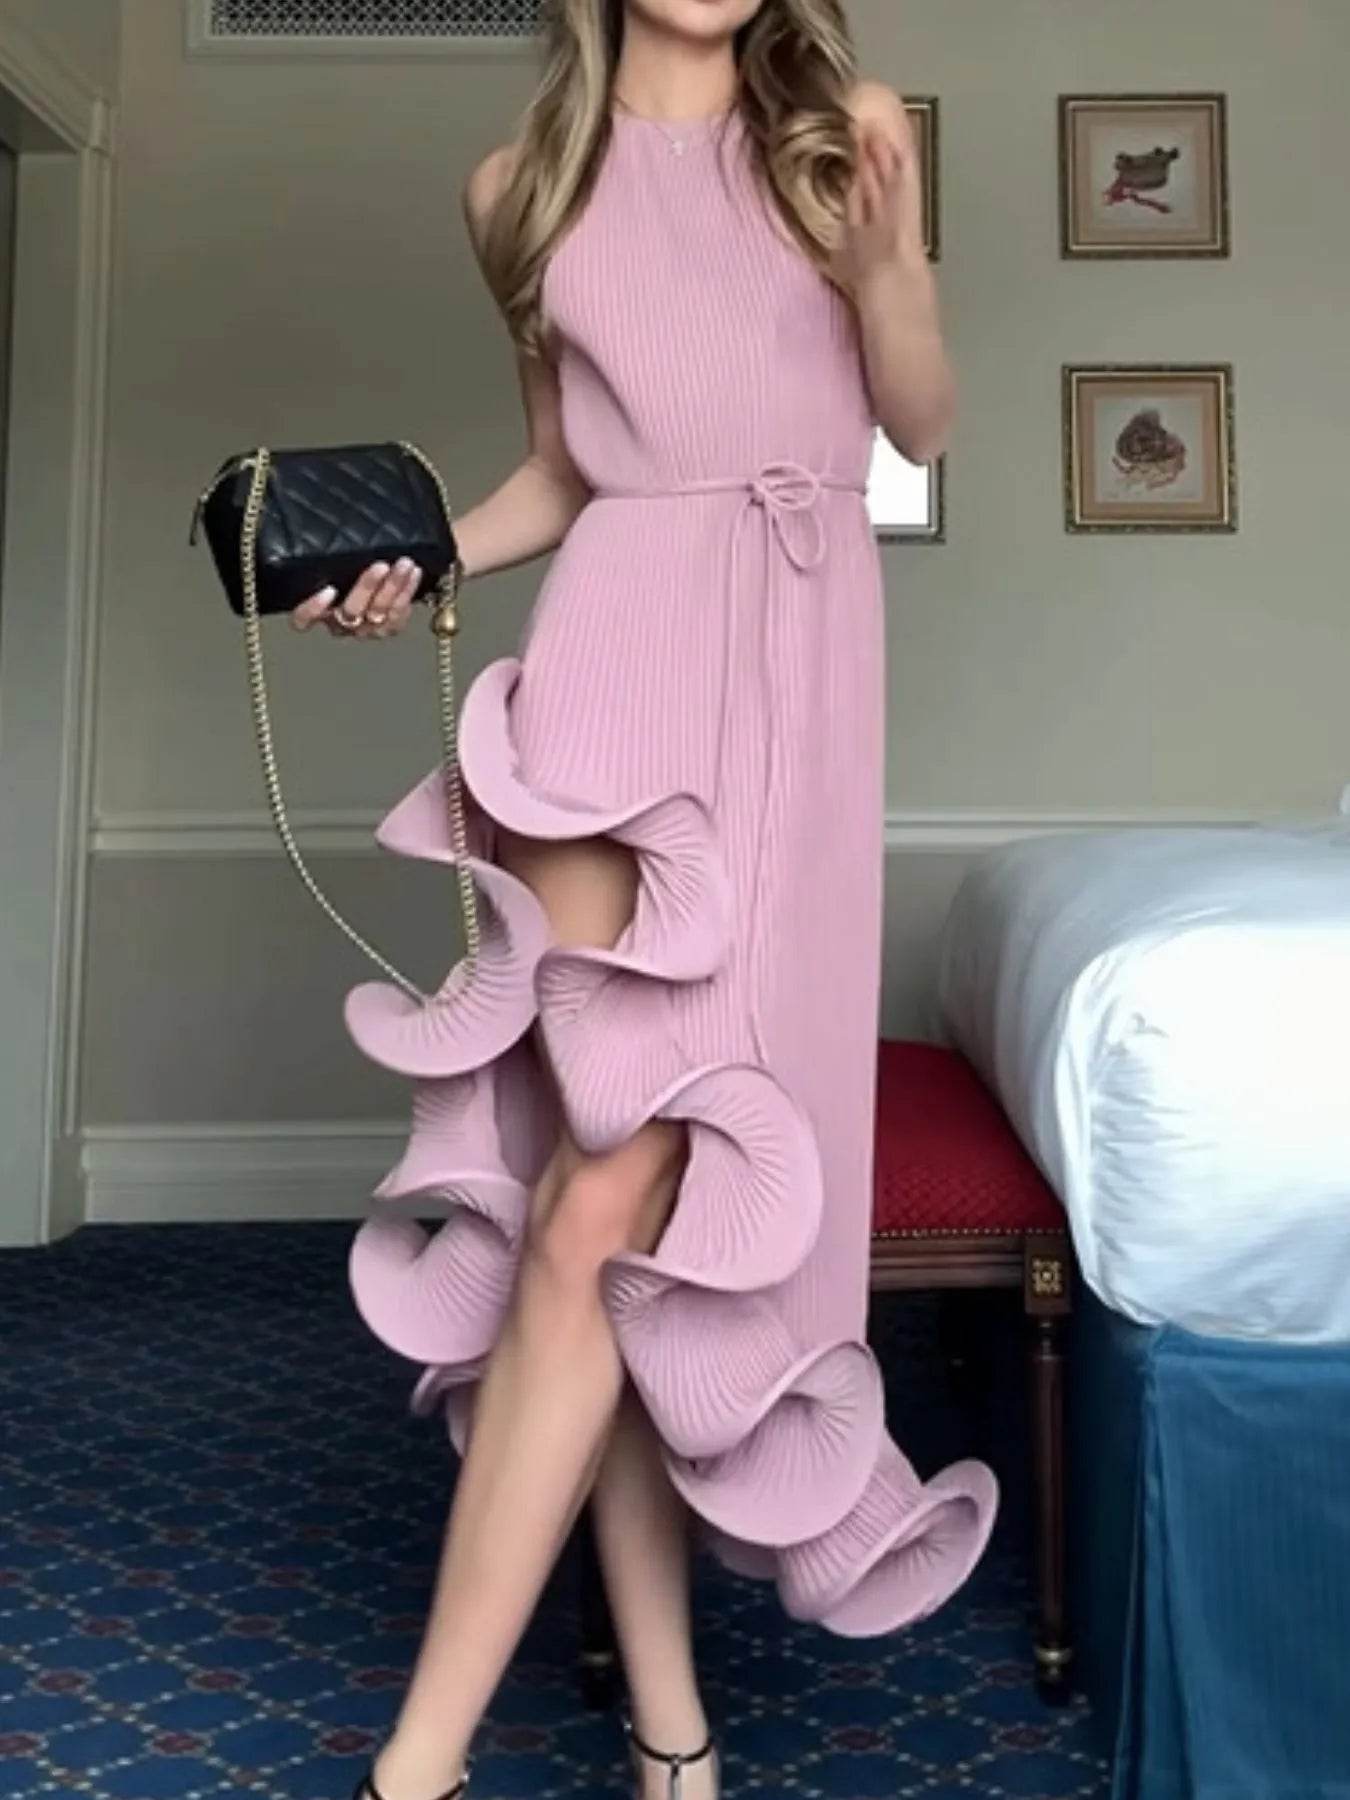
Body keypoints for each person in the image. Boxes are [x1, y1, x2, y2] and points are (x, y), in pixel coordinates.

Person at [292, 4, 997, 1796]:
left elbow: (918, 420)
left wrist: (887, 267)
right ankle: (422, 1761)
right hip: (616, 663)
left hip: (803, 668)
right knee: (602, 1186)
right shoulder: (517, 187)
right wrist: (412, 559)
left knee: (645, 1231)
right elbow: (561, 469)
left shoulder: (850, 126)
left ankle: (669, 1728)